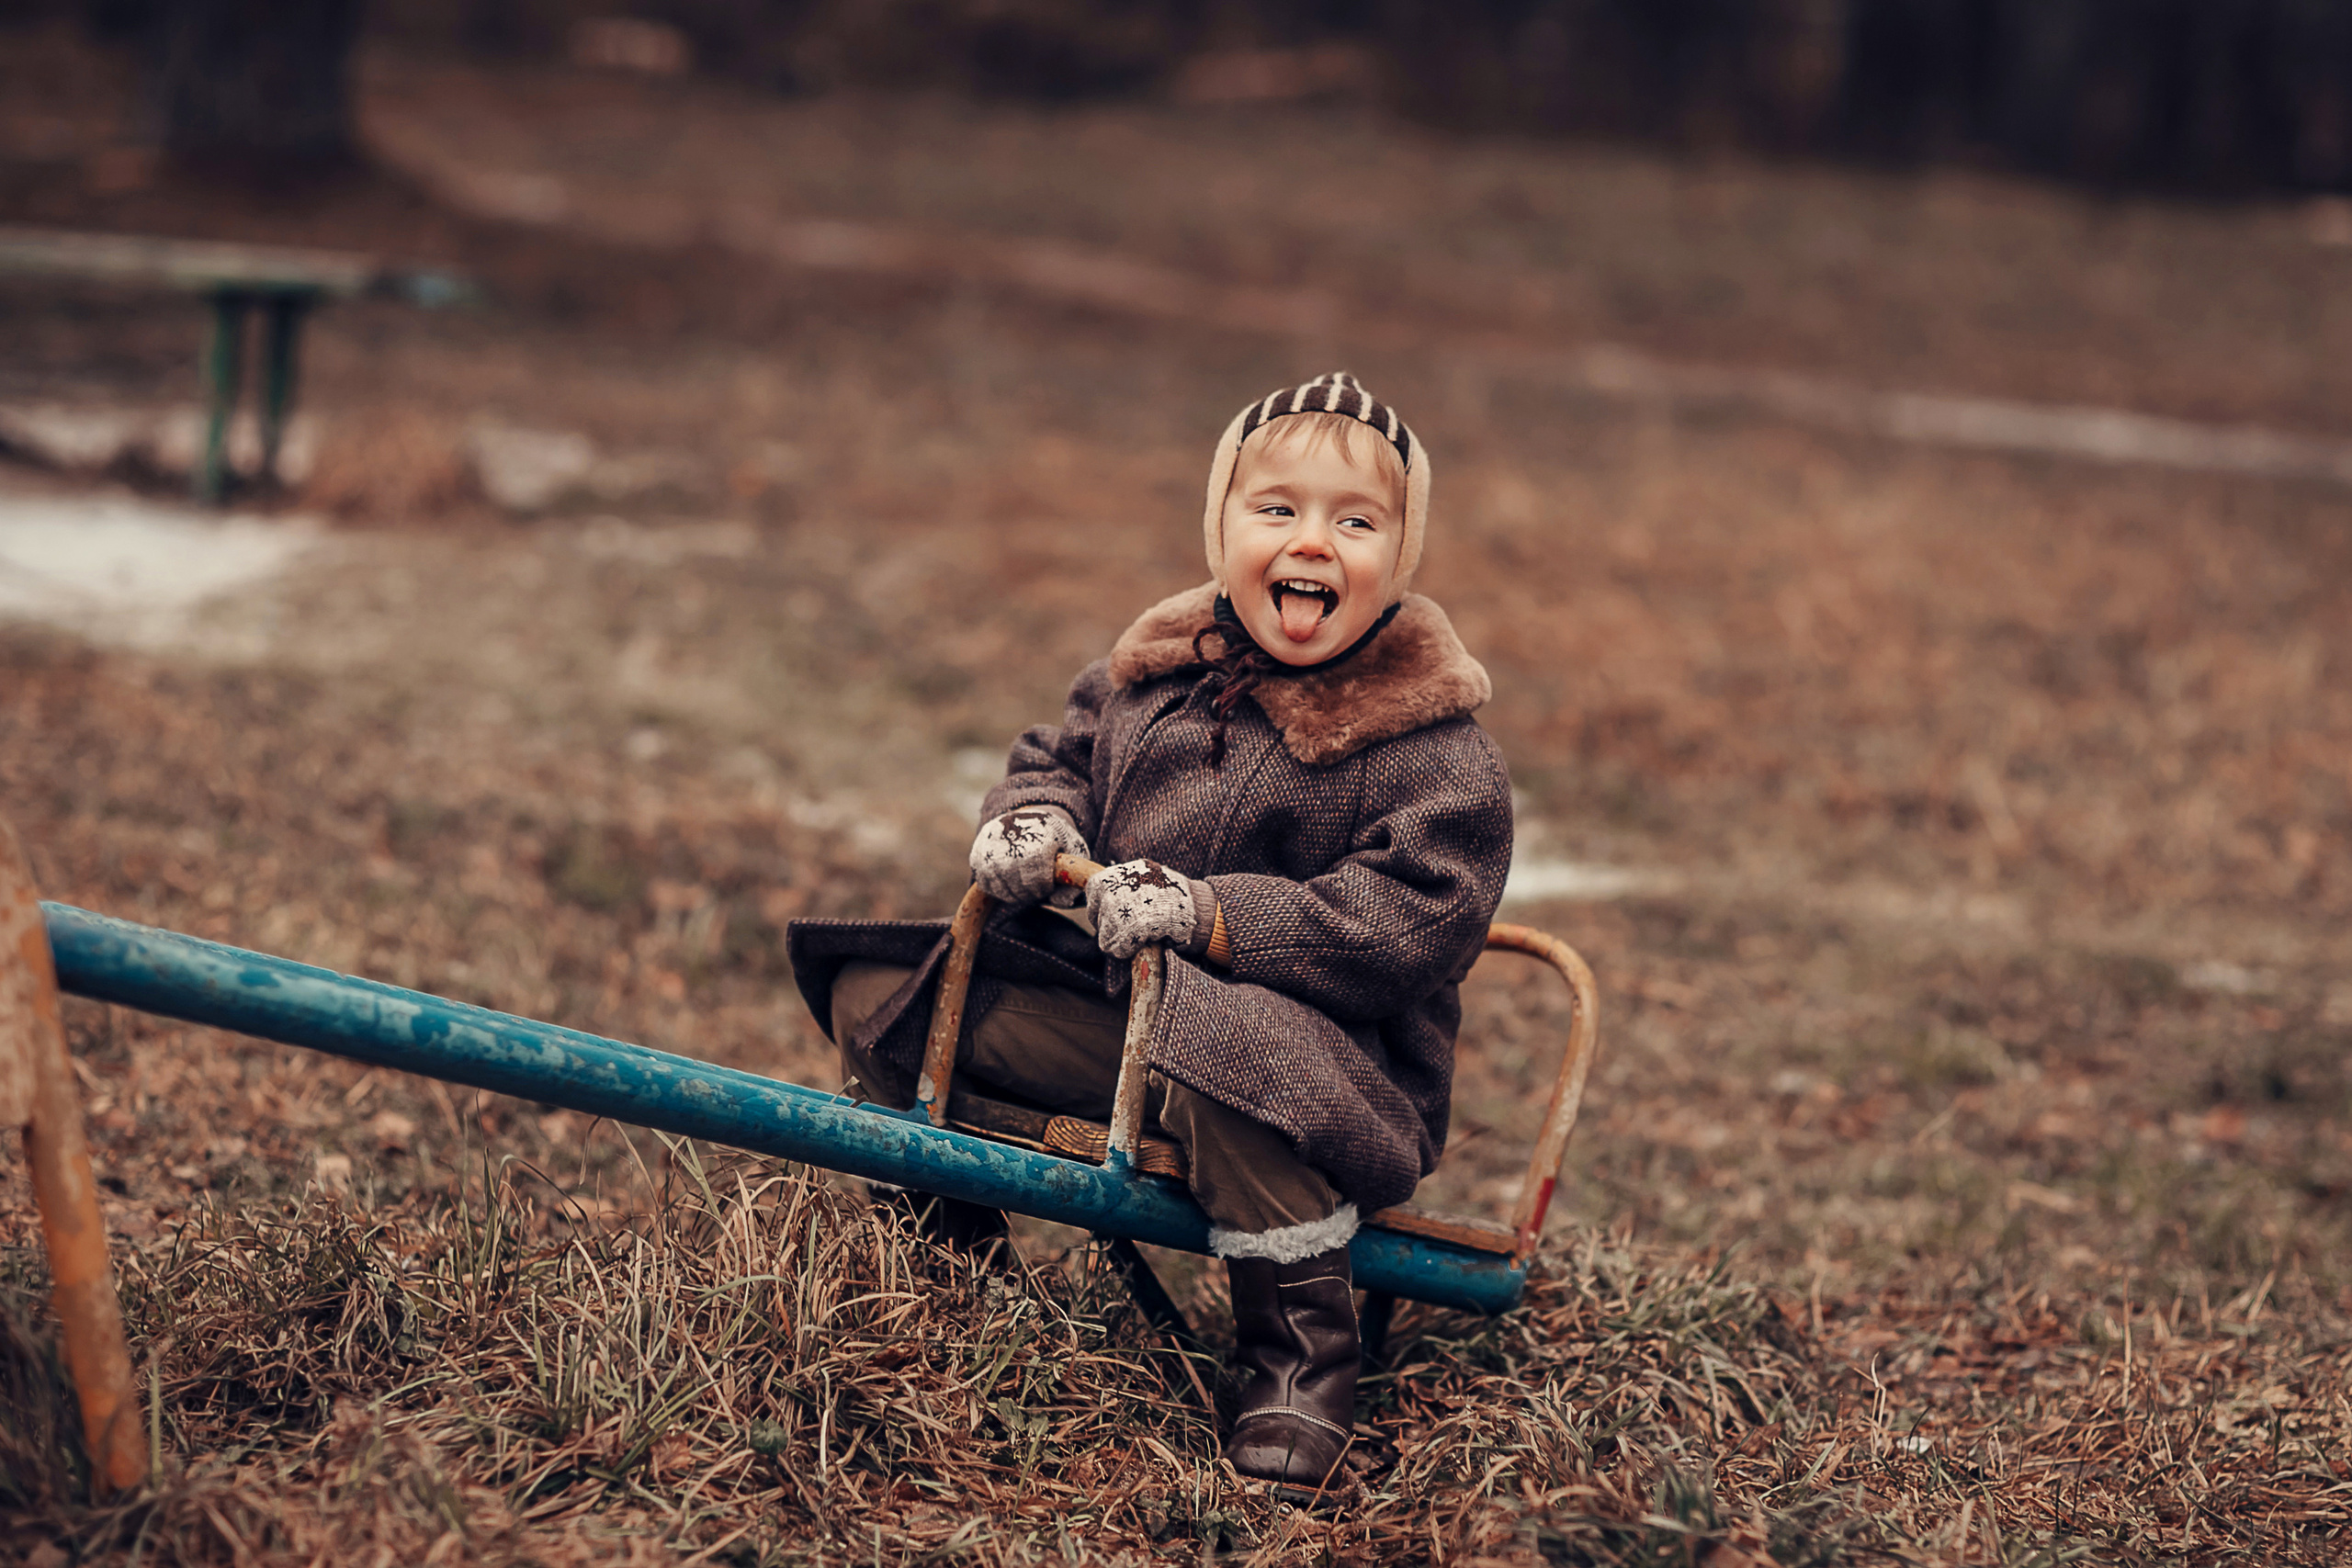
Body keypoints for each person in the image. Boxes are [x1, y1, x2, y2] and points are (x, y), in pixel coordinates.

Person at [786, 372, 1513, 1493]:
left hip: (1322, 1076)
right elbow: (1055, 759)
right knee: (881, 987)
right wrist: (1033, 824)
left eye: (1355, 522)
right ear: (1220, 525)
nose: (1310, 541)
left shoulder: (1433, 752)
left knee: (1223, 1047)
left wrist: (1211, 915)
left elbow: (1405, 923)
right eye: (1275, 508)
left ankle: (1297, 1353)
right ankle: (951, 1260)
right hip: (1123, 1031)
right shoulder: (1153, 677)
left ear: (1400, 559)